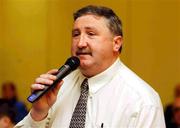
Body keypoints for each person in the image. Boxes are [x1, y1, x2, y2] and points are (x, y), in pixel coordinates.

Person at [15, 5, 165, 127]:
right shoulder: (57, 87)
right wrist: (38, 114)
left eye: (91, 34)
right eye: (75, 34)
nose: (80, 43)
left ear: (116, 43)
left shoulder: (142, 102)